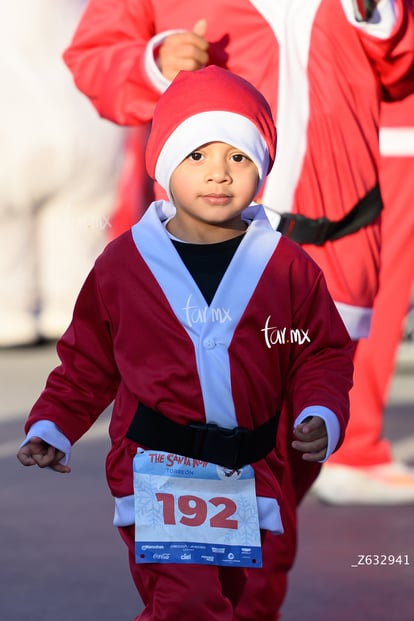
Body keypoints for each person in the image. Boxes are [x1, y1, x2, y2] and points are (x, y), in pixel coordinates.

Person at [61, 0, 414, 617]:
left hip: (337, 258)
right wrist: (153, 63)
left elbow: (400, 68)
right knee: (224, 508)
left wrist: (376, 14)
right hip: (209, 271)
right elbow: (95, 58)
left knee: (273, 500)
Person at [17, 66, 354, 621]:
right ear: (165, 164)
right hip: (157, 463)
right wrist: (55, 422)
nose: (218, 174)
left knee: (233, 600)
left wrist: (321, 408)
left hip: (250, 466)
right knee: (187, 602)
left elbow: (320, 350)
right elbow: (88, 361)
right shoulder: (124, 265)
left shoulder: (286, 267)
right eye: (197, 156)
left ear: (262, 169)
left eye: (238, 158)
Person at [0, 0, 125, 347]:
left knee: (7, 223)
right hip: (85, 112)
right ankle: (71, 306)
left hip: (11, 115)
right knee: (80, 221)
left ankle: (10, 308)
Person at [312, 93, 414, 505]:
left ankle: (338, 436)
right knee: (382, 279)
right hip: (392, 122)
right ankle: (349, 444)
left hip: (353, 120)